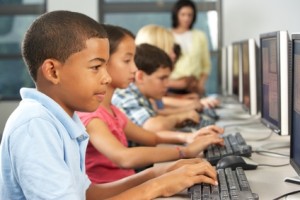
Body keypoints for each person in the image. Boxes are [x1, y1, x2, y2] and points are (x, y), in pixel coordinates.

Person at [0, 10, 219, 200]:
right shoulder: (35, 126)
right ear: (53, 71)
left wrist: (159, 173)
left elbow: (88, 194)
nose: (106, 78)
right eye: (96, 67)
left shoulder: (64, 119)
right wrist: (159, 185)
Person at [77, 24, 224, 184]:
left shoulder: (111, 110)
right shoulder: (92, 115)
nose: (134, 68)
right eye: (127, 60)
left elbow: (152, 137)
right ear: (103, 62)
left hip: (129, 184)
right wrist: (184, 152)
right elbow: (124, 158)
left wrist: (189, 137)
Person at [169, 0, 212, 97]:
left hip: (194, 86)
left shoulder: (200, 36)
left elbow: (206, 65)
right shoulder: (167, 35)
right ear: (176, 15)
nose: (186, 18)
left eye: (190, 15)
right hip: (173, 86)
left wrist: (200, 84)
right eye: (183, 14)